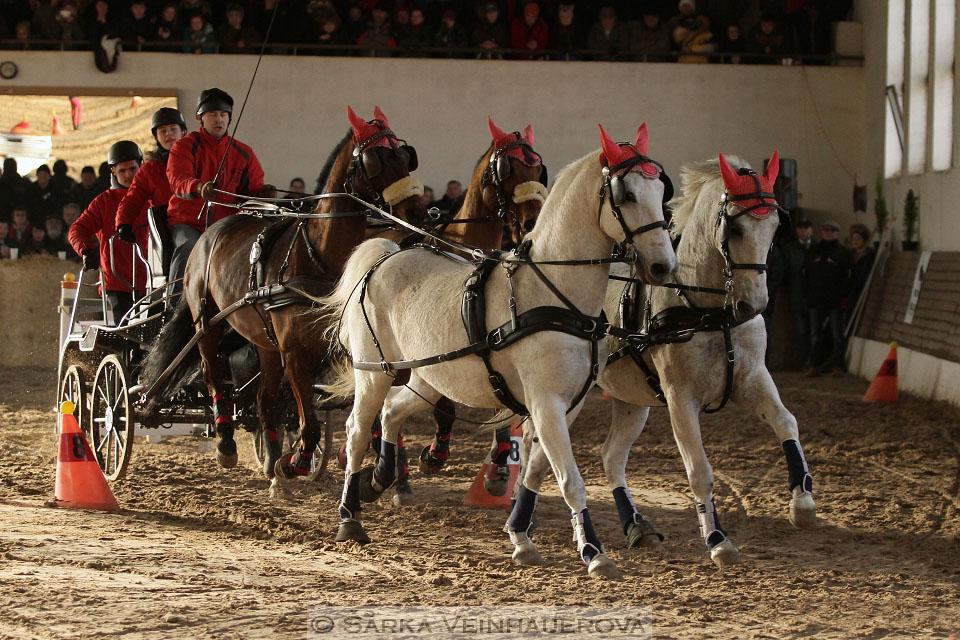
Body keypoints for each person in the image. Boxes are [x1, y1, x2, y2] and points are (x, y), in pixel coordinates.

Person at [165, 88, 268, 300]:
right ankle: (173, 305)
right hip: (188, 223)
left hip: (226, 226)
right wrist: (198, 186)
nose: (218, 120)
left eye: (223, 115)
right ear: (200, 118)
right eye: (212, 114)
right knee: (188, 247)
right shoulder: (184, 147)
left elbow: (252, 191)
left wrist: (264, 195)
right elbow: (178, 179)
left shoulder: (243, 152)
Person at [68, 141, 148, 324]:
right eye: (122, 171)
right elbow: (77, 229)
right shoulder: (104, 202)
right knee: (126, 329)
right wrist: (85, 250)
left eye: (132, 169)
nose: (128, 175)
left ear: (141, 166)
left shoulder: (151, 198)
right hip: (117, 283)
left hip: (152, 281)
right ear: (113, 171)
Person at [116, 107, 188, 263]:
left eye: (173, 129)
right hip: (167, 228)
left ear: (183, 132)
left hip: (200, 220)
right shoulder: (150, 170)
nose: (168, 134)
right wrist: (123, 223)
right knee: (185, 245)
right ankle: (174, 287)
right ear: (156, 137)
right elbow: (132, 198)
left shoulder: (196, 161)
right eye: (163, 131)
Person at [804, 220, 852, 377]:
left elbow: (848, 276)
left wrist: (842, 295)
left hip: (835, 300)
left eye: (831, 230)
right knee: (815, 334)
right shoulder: (813, 250)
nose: (828, 232)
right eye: (825, 229)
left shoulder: (843, 252)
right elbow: (806, 274)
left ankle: (838, 365)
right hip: (816, 299)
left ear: (837, 233)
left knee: (837, 334)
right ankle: (814, 365)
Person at [782, 218, 812, 369]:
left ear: (811, 230)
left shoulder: (817, 249)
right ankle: (804, 362)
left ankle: (814, 362)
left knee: (815, 332)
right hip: (796, 296)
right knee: (801, 332)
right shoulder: (789, 250)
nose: (803, 231)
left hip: (815, 298)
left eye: (806, 228)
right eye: (800, 228)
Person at [847, 223, 875, 313]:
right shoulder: (850, 255)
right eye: (853, 238)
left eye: (858, 238)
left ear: (864, 240)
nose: (855, 241)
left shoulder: (870, 255)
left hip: (863, 290)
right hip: (851, 290)